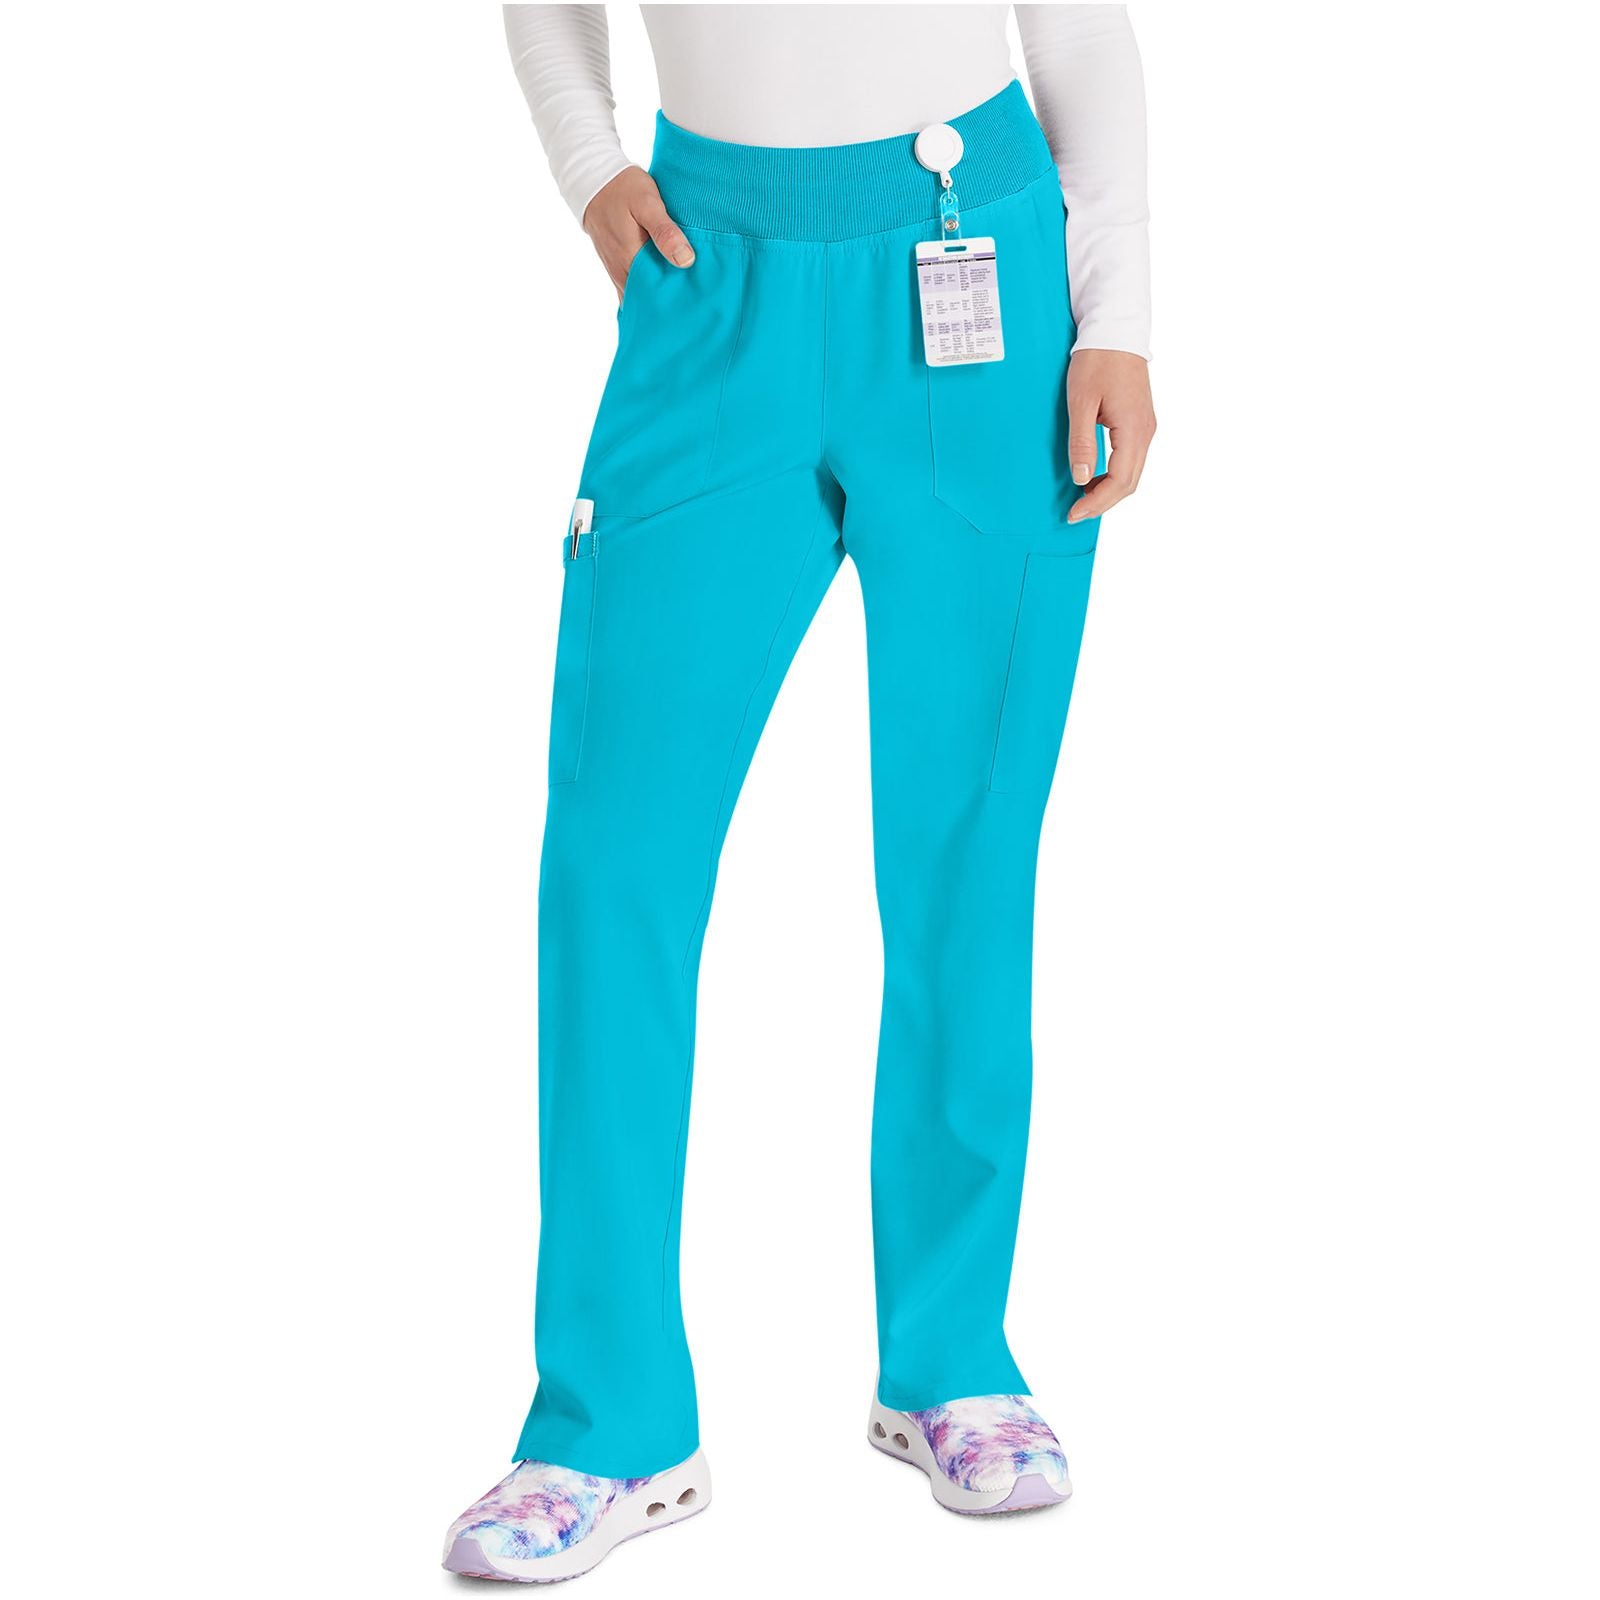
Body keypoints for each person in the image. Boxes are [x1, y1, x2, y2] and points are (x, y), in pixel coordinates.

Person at [444, 4, 1155, 1582]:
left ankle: (953, 1357)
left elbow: (1079, 31)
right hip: (711, 279)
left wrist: (1121, 314)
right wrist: (588, 165)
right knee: (615, 868)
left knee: (967, 850)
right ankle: (608, 1419)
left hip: (978, 271)